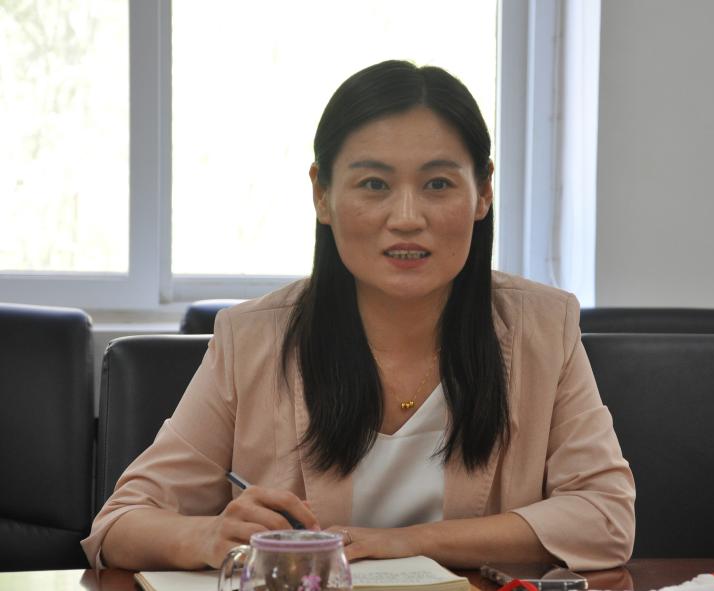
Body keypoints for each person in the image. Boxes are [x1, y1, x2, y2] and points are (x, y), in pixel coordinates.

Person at [83, 60, 635, 571]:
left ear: (483, 191)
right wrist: (210, 536)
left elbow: (605, 518)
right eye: (374, 184)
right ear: (322, 195)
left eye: (438, 184)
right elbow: (118, 525)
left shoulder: (544, 328)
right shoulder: (250, 339)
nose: (407, 217)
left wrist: (408, 542)